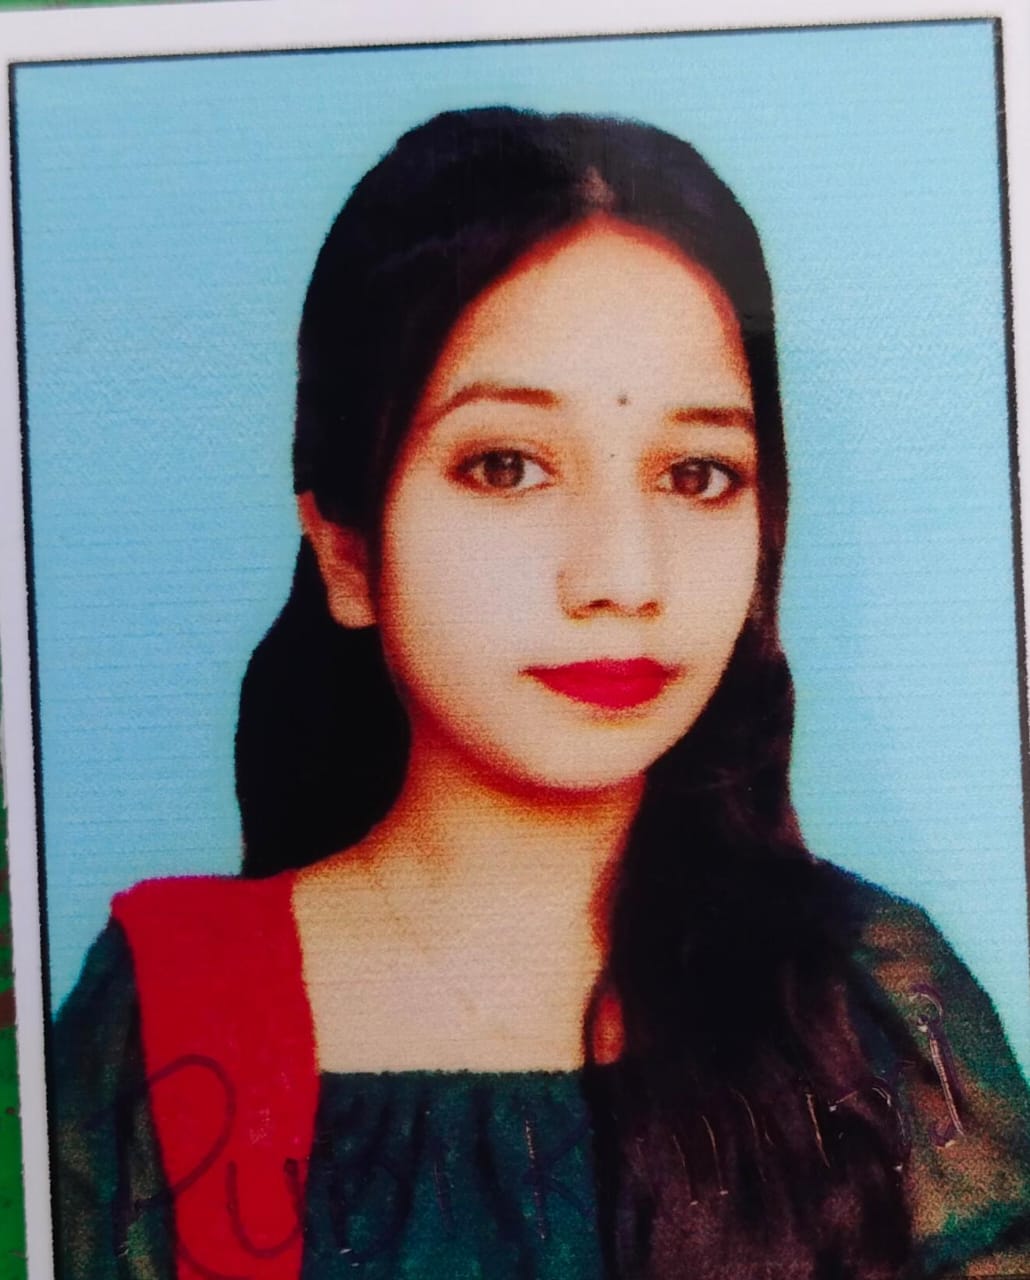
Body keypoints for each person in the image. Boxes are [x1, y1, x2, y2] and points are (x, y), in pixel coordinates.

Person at [53, 107, 1030, 1280]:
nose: (620, 576)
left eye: (695, 473)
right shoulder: (170, 1010)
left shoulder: (870, 1002)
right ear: (346, 549)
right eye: (507, 465)